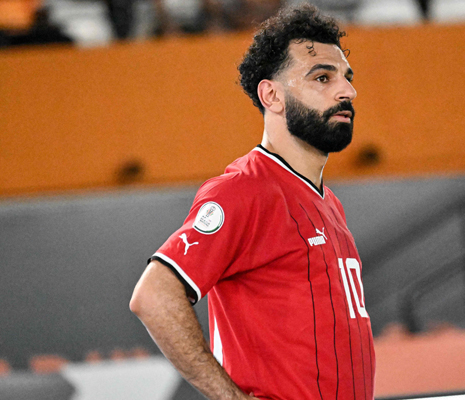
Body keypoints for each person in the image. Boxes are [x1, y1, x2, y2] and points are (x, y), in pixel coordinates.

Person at [130, 4, 375, 399]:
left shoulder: (329, 203)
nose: (347, 90)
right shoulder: (243, 190)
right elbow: (154, 295)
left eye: (346, 77)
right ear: (272, 95)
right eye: (322, 77)